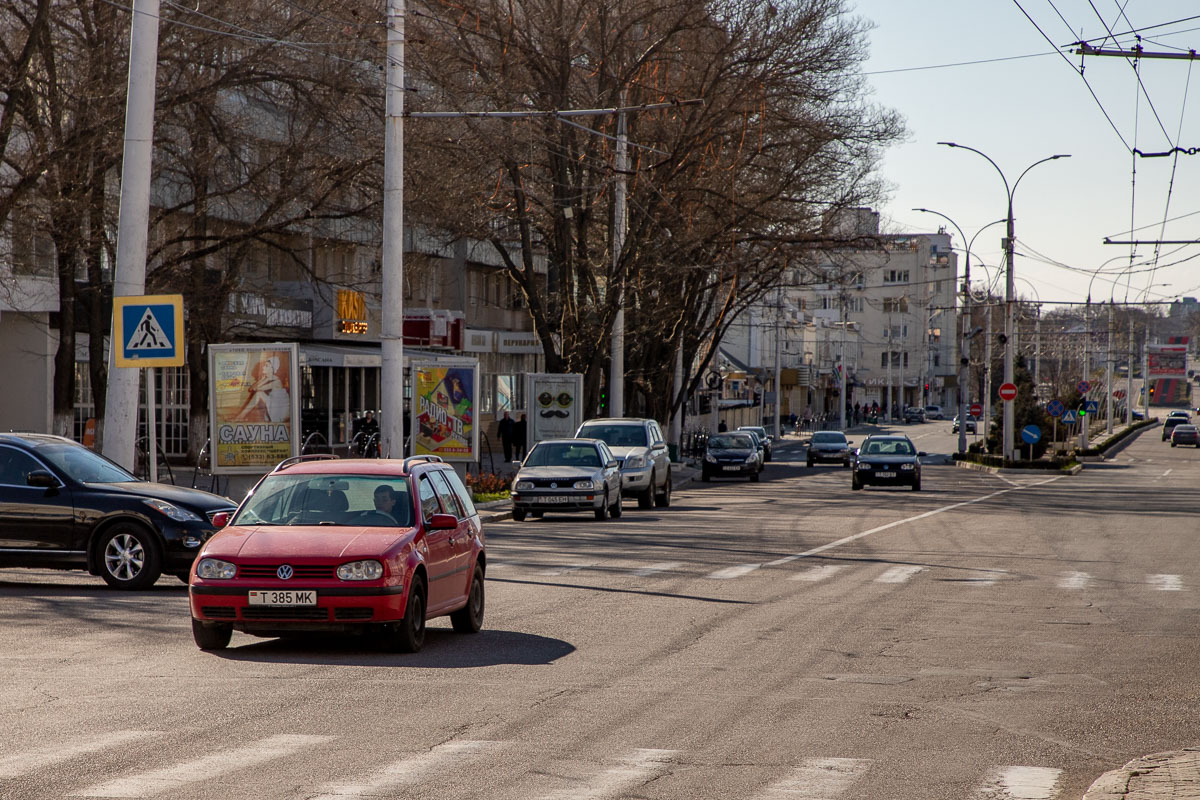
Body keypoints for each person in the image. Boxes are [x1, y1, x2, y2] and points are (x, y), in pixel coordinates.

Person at [234, 354, 289, 422]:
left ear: (272, 369)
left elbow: (256, 389)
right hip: (273, 403)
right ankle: (240, 417)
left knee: (259, 394)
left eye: (266, 366)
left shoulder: (276, 381)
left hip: (279, 409)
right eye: (264, 365)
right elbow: (250, 389)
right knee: (259, 393)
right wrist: (261, 380)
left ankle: (240, 417)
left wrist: (263, 381)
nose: (263, 367)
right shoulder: (268, 378)